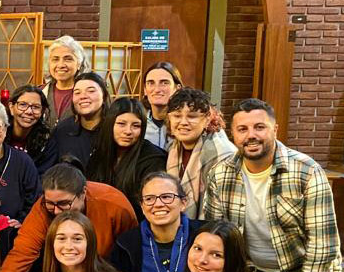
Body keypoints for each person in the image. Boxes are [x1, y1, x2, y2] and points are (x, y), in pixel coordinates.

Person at [202, 99, 341, 272]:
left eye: (259, 127)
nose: (251, 135)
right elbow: (217, 238)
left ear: (275, 130)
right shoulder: (220, 174)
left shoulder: (306, 171)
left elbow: (323, 245)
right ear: (233, 134)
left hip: (305, 271)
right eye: (242, 129)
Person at [0, 164, 138, 272]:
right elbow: (23, 251)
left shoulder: (114, 206)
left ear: (83, 193)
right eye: (50, 204)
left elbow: (132, 252)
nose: (56, 211)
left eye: (64, 203)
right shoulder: (42, 207)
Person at [110, 172, 207, 272]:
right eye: (149, 199)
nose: (158, 204)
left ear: (183, 203)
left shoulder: (204, 235)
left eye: (167, 197)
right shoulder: (126, 244)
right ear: (142, 207)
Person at [88, 96, 167, 218]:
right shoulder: (99, 154)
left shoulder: (153, 159)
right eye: (121, 124)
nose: (128, 131)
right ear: (110, 124)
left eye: (136, 126)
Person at [166, 87, 236, 219]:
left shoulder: (222, 154)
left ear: (207, 119)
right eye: (177, 116)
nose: (183, 122)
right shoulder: (172, 148)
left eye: (192, 116)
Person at [49, 70, 107, 168]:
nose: (83, 96)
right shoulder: (62, 130)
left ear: (104, 96)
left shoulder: (116, 129)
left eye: (91, 91)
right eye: (77, 93)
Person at [5, 84, 55, 168]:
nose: (29, 111)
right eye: (23, 105)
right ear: (11, 107)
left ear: (42, 111)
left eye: (36, 107)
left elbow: (44, 173)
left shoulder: (47, 141)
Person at [42, 35, 87, 123]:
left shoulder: (89, 94)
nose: (61, 65)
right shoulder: (41, 92)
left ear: (79, 64)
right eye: (55, 59)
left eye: (68, 59)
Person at [142, 61, 183, 149]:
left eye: (164, 83)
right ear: (145, 90)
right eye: (151, 83)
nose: (157, 89)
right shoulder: (138, 123)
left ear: (177, 88)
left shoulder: (184, 123)